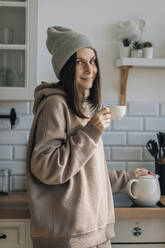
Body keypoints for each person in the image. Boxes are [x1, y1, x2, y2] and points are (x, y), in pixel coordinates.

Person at [26, 26, 149, 248]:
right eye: (79, 62)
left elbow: (86, 173)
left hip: (92, 233)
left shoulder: (81, 108)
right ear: (65, 67)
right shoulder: (55, 105)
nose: (89, 69)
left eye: (92, 61)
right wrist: (91, 132)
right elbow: (46, 167)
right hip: (71, 237)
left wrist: (127, 177)